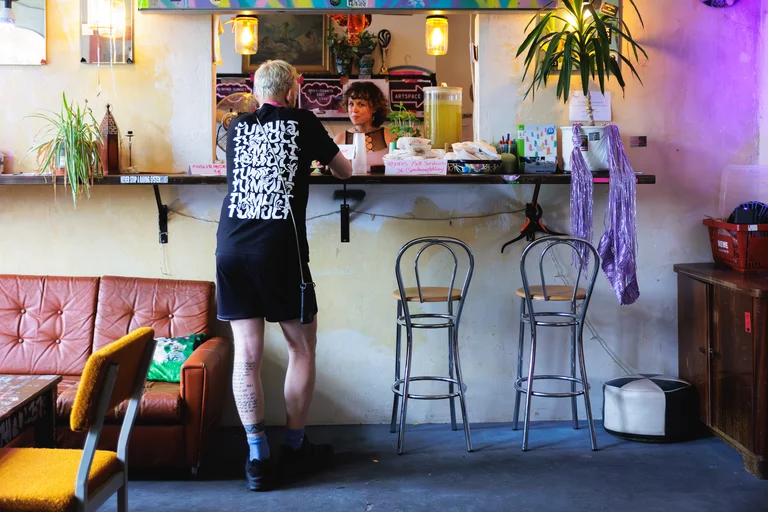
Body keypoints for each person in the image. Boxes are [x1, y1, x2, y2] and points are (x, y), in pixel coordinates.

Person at [215, 60, 353, 492]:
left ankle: (257, 459)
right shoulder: (303, 121)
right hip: (278, 248)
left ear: (256, 91)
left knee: (247, 355)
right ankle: (294, 448)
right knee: (301, 348)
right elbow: (345, 170)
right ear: (295, 90)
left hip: (231, 247)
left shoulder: (236, 127)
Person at [333, 81, 393, 167]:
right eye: (351, 104)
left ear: (374, 108)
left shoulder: (390, 137)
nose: (354, 110)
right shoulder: (339, 139)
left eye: (361, 104)